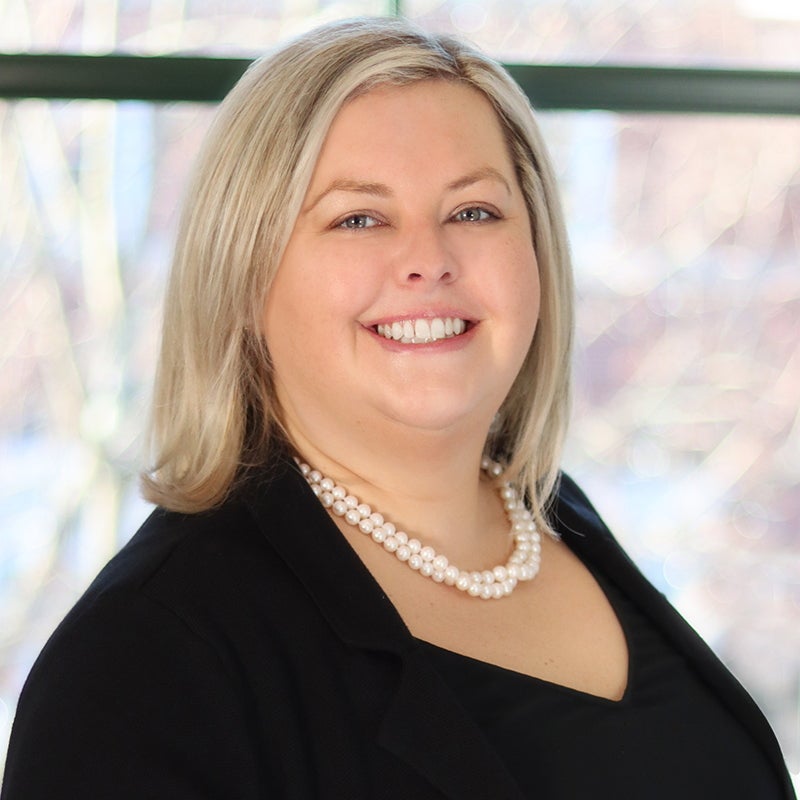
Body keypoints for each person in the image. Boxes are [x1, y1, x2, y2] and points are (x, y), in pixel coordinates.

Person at [1, 16, 795, 800]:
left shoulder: (563, 521)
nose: (429, 260)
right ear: (242, 279)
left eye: (474, 211)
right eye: (359, 218)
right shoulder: (142, 664)